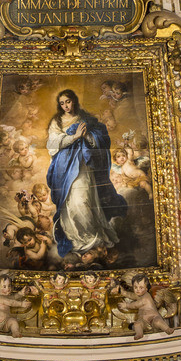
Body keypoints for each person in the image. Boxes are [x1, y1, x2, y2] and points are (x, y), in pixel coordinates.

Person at [44, 87, 130, 259]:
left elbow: (101, 139)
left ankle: (91, 238)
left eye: (68, 101)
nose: (66, 106)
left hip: (83, 165)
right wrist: (74, 137)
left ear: (74, 100)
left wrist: (87, 137)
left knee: (83, 200)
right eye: (62, 103)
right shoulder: (57, 121)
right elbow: (51, 144)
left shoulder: (86, 119)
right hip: (64, 167)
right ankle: (77, 240)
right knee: (70, 203)